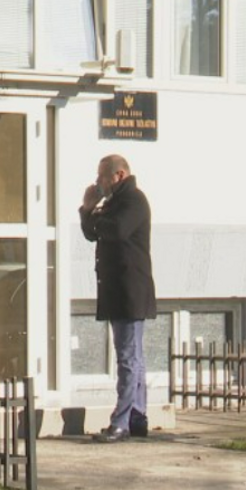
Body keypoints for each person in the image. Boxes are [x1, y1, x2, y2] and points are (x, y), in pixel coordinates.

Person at [79, 154, 156, 443]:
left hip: (129, 291)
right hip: (117, 290)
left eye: (103, 176)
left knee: (128, 358)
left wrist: (97, 216)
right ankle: (137, 416)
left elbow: (116, 230)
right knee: (133, 356)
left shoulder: (134, 200)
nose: (98, 181)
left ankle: (121, 422)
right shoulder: (112, 203)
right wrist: (87, 210)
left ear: (119, 175)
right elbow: (91, 233)